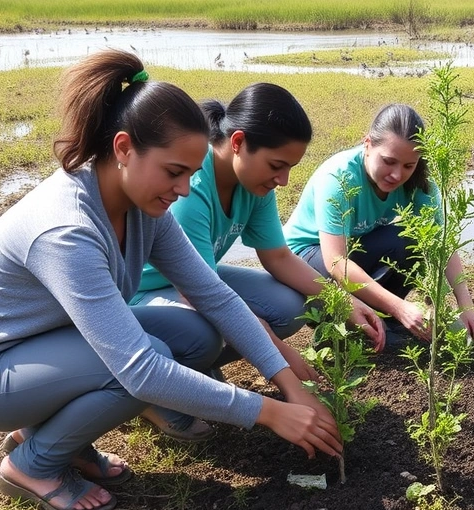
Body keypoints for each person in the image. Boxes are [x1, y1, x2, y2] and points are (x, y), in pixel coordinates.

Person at [0, 50, 341, 510]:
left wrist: (288, 383)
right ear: (124, 148)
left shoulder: (144, 208)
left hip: (52, 346)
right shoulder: (67, 229)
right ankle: (33, 464)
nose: (185, 190)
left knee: (197, 335)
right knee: (149, 363)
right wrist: (269, 412)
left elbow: (215, 296)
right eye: (174, 172)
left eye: (191, 174)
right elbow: (141, 371)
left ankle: (54, 437)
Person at [131, 82, 384, 438]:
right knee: (203, 332)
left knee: (288, 305)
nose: (283, 180)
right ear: (237, 143)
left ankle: (196, 371)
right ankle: (157, 395)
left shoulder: (254, 183)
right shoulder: (191, 187)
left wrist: (340, 299)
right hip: (148, 293)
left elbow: (279, 257)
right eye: (276, 165)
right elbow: (201, 295)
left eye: (289, 168)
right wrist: (281, 359)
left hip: (202, 281)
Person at [283, 104, 474, 344]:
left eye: (408, 166)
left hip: (353, 253)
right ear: (368, 144)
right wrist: (399, 307)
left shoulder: (421, 185)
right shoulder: (339, 178)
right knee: (341, 278)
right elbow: (336, 262)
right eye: (389, 161)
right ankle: (340, 324)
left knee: (416, 237)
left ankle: (381, 321)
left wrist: (466, 305)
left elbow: (441, 245)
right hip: (305, 259)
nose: (396, 175)